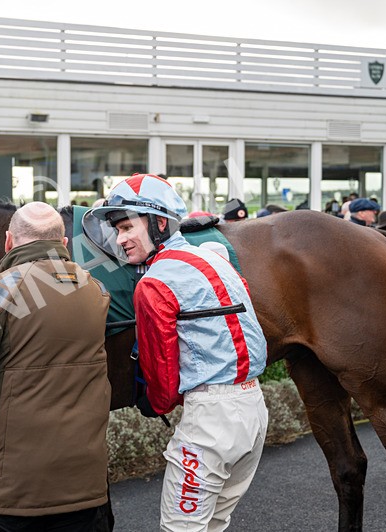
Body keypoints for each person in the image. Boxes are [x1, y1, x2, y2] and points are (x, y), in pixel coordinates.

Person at [90, 174, 268, 531]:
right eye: (117, 230)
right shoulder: (217, 259)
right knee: (215, 524)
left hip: (210, 424)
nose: (120, 239)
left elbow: (162, 374)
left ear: (159, 223)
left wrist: (157, 403)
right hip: (255, 411)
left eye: (127, 227)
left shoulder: (153, 283)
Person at [0, 201, 112, 532]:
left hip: (6, 493)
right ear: (63, 243)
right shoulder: (95, 290)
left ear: (9, 240)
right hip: (85, 487)